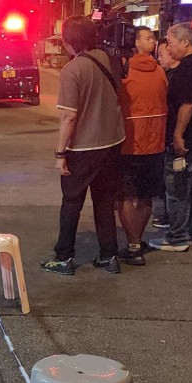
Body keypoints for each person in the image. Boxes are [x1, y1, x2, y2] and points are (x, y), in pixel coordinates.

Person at [42, 16, 126, 275]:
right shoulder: (107, 59)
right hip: (112, 143)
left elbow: (69, 116)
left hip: (83, 148)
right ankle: (109, 256)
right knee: (104, 202)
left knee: (72, 203)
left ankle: (63, 257)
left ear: (67, 41)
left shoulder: (73, 69)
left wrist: (60, 153)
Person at [147, 22, 192, 251]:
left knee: (177, 189)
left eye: (170, 42)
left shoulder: (187, 68)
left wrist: (178, 135)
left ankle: (177, 237)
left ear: (185, 41)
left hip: (188, 141)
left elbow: (187, 104)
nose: (168, 47)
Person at [116, 26, 168, 266]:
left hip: (129, 143)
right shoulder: (160, 71)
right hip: (155, 142)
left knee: (125, 195)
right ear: (136, 42)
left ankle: (134, 244)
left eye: (153, 37)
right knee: (146, 195)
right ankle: (136, 241)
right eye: (148, 37)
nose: (153, 41)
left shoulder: (124, 69)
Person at [151, 36, 180, 230]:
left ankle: (173, 221)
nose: (159, 59)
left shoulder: (176, 77)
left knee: (173, 183)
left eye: (161, 54)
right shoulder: (165, 74)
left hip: (172, 135)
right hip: (164, 134)